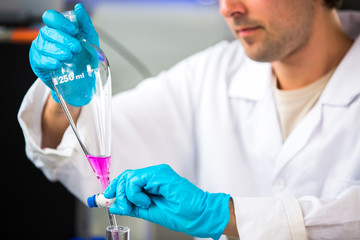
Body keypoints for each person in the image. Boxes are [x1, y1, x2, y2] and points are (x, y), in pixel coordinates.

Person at [18, 0, 360, 239]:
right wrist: (65, 96)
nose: (229, 8)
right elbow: (83, 151)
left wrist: (226, 215)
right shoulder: (210, 75)